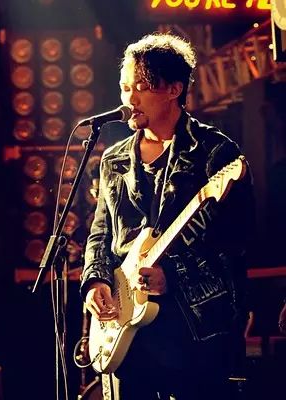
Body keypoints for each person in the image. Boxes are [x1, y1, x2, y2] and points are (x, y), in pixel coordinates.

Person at [80, 33, 255, 399]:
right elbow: (100, 232)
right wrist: (95, 280)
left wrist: (172, 275)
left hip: (194, 327)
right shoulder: (114, 159)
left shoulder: (214, 153)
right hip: (127, 330)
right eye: (125, 88)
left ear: (174, 89)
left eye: (142, 87)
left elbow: (237, 244)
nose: (130, 99)